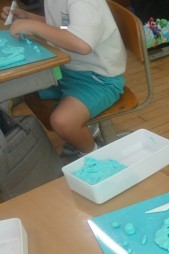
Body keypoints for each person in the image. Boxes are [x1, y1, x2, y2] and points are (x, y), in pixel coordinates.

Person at [1, 0, 126, 159]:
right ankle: (84, 127)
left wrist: (33, 26)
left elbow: (82, 44)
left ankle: (93, 156)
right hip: (67, 69)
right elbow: (62, 26)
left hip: (98, 79)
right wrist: (28, 17)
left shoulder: (85, 2)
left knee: (63, 122)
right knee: (22, 85)